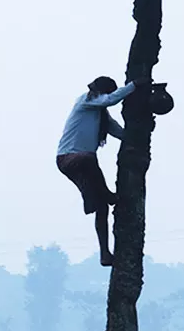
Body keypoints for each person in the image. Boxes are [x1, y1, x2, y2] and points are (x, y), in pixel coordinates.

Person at [56, 76, 134, 266]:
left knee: (102, 208)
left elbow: (119, 132)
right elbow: (110, 100)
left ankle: (105, 254)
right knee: (88, 157)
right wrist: (133, 85)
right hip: (68, 158)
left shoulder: (101, 115)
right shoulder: (86, 100)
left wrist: (137, 136)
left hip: (84, 165)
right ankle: (105, 194)